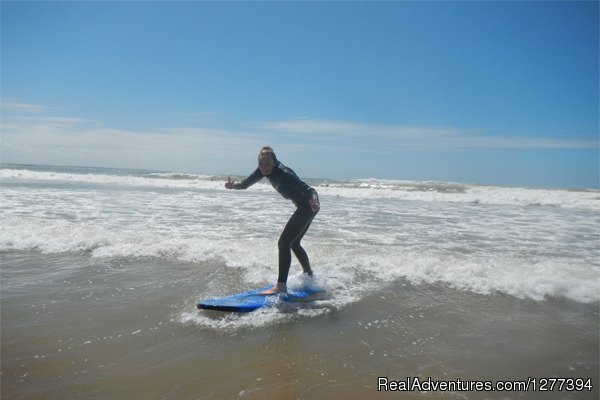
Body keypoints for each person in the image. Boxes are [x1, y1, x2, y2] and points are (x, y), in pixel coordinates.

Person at [225, 146, 320, 295]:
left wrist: (313, 201)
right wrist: (233, 186)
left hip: (309, 206)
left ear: (274, 162)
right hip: (305, 207)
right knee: (294, 243)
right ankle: (309, 275)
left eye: (267, 164)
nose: (263, 168)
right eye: (261, 164)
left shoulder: (285, 174)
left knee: (284, 243)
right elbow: (245, 184)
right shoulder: (263, 171)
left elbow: (309, 190)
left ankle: (281, 287)